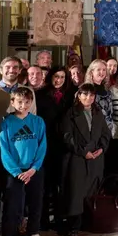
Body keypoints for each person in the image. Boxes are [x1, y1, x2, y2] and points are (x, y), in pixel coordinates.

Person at [0, 87, 48, 236]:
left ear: (31, 102)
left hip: (34, 170)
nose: (23, 105)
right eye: (19, 101)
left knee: (35, 203)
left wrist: (34, 168)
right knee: (12, 206)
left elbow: (42, 147)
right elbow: (4, 150)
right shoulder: (7, 123)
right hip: (14, 172)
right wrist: (17, 172)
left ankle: (33, 235)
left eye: (27, 102)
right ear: (12, 103)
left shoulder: (38, 122)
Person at [59, 83, 111, 236]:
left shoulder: (98, 112)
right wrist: (83, 152)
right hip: (77, 158)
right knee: (76, 192)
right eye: (85, 95)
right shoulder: (70, 113)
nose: (88, 98)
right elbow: (67, 137)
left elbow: (105, 133)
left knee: (91, 190)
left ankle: (89, 222)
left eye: (91, 95)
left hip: (96, 157)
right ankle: (74, 225)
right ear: (79, 96)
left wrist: (102, 148)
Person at [35, 67, 73, 227]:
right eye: (56, 76)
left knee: (62, 181)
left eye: (62, 77)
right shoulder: (40, 95)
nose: (58, 80)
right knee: (45, 183)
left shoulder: (70, 95)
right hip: (45, 142)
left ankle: (59, 217)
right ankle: (43, 218)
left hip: (63, 144)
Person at [0, 56, 37, 130]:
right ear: (1, 70)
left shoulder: (28, 91)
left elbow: (32, 115)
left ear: (20, 70)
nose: (11, 70)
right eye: (7, 67)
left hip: (23, 137)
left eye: (15, 67)